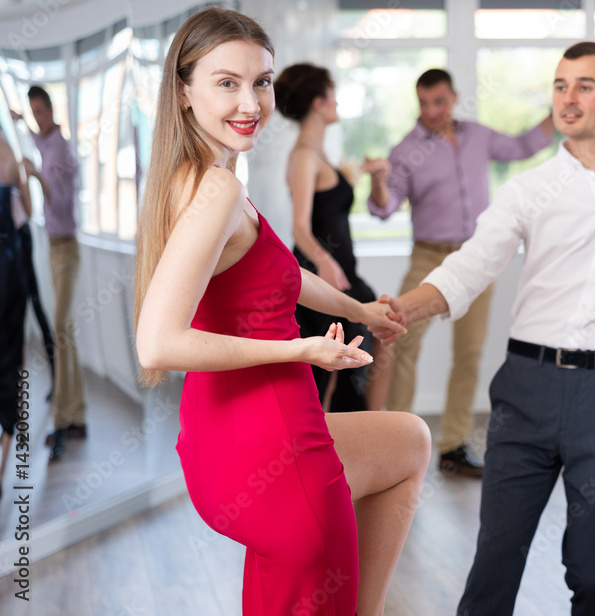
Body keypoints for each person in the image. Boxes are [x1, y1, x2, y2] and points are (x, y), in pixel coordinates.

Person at [132, 8, 430, 615]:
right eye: (227, 83)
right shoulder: (217, 190)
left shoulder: (197, 177)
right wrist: (301, 349)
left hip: (228, 440)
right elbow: (157, 344)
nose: (250, 103)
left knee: (409, 441)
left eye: (261, 82)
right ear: (184, 92)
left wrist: (361, 310)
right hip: (269, 445)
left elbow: (282, 276)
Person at [386, 42, 595, 616]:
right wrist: (399, 310)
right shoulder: (527, 190)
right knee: (496, 561)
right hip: (526, 389)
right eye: (559, 85)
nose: (567, 98)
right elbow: (468, 267)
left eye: (584, 86)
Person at [369, 68, 554, 476]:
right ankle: (396, 446)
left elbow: (523, 146)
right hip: (428, 256)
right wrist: (380, 181)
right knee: (403, 346)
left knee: (468, 354)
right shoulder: (406, 150)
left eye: (439, 102)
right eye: (424, 103)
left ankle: (453, 446)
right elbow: (384, 207)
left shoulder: (478, 136)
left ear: (453, 98)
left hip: (476, 258)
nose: (432, 111)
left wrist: (557, 111)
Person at [274, 63, 393, 412]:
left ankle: (370, 425)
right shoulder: (304, 156)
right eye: (332, 95)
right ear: (318, 102)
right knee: (336, 364)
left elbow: (330, 206)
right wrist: (325, 262)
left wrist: (367, 175)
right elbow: (299, 226)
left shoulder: (317, 154)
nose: (337, 102)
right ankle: (352, 431)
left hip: (341, 272)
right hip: (323, 273)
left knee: (374, 340)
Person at [11, 85, 84, 462]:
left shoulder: (63, 152)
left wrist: (36, 176)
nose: (38, 118)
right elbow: (38, 139)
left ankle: (62, 420)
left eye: (41, 111)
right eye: (33, 112)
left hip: (67, 249)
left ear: (52, 109)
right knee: (65, 332)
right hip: (54, 248)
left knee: (60, 329)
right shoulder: (46, 140)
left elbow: (59, 203)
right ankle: (78, 415)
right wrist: (21, 122)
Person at [0, 132, 33, 501]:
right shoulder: (8, 153)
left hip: (9, 274)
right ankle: (6, 457)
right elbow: (28, 212)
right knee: (12, 362)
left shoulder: (8, 152)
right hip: (10, 270)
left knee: (9, 362)